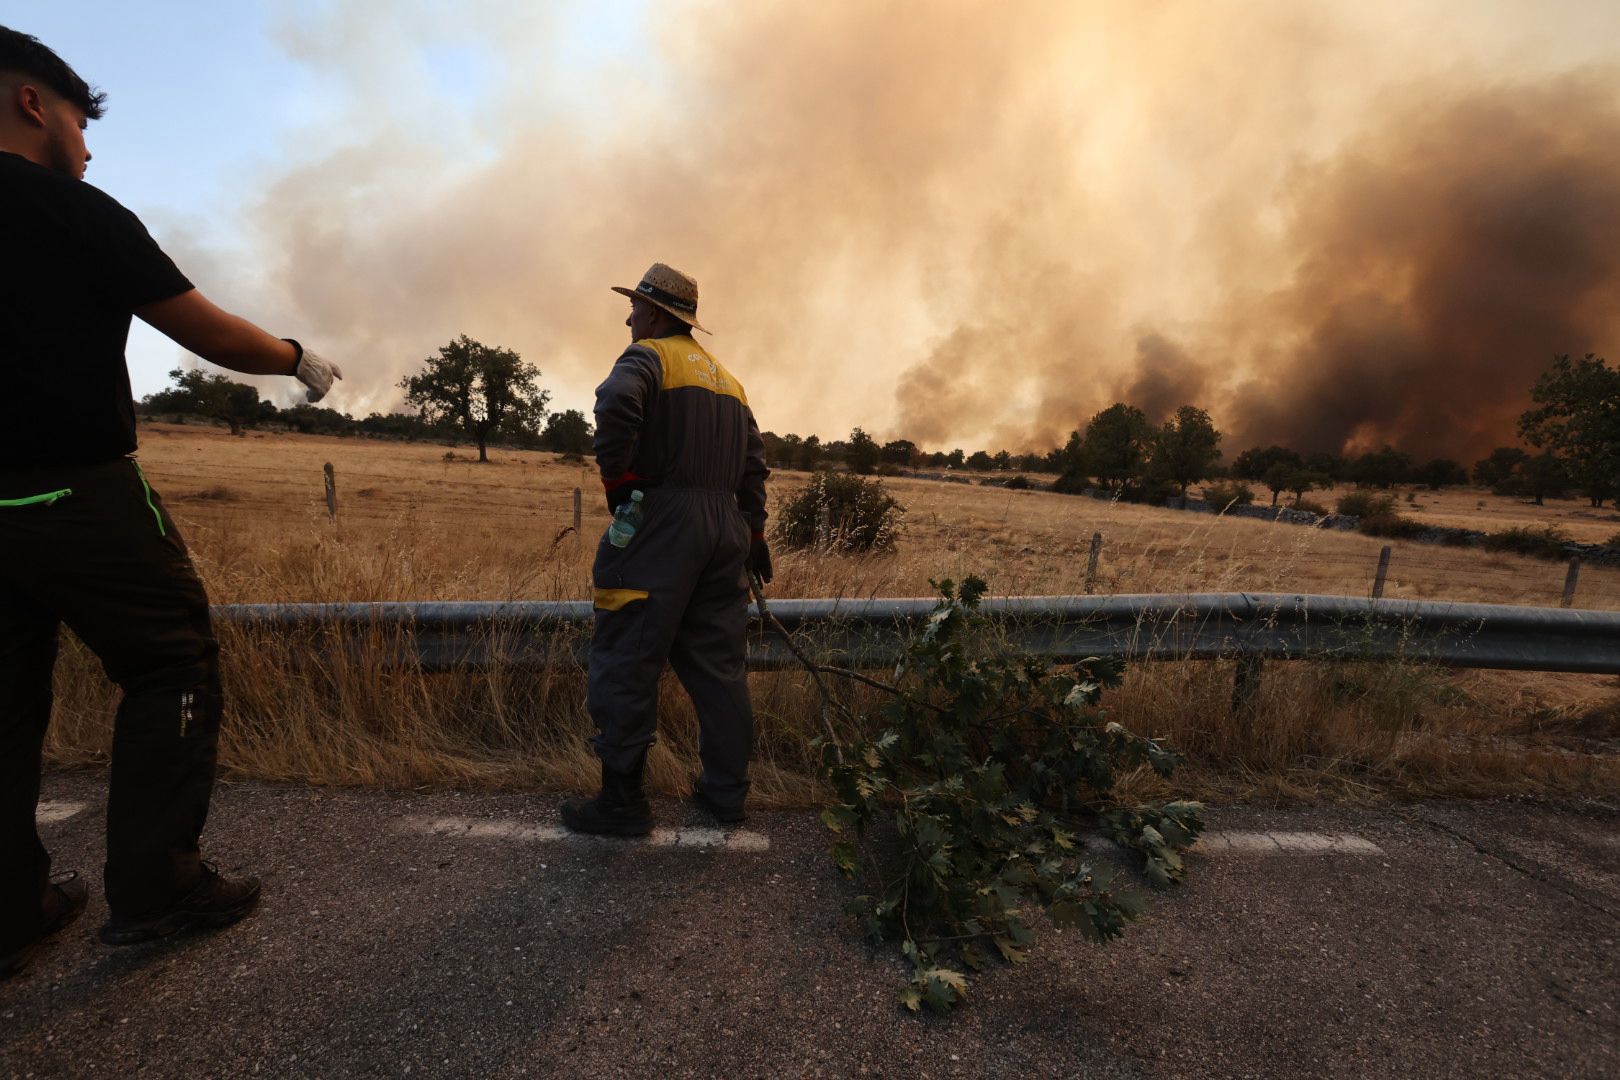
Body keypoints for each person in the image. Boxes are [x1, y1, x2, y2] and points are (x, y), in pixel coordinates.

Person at [0, 27, 342, 978]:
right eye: (79, 118)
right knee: (172, 664)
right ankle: (156, 889)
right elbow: (198, 327)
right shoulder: (75, 210)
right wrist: (295, 358)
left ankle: (10, 911)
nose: (89, 143)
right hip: (78, 491)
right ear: (34, 104)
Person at [561, 263, 771, 837]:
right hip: (725, 530)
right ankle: (726, 794)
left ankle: (623, 803)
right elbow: (754, 467)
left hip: (662, 523)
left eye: (634, 307)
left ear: (654, 313)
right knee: (721, 670)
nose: (628, 316)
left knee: (627, 657)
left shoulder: (646, 357)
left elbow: (614, 405)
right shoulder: (730, 382)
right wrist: (753, 534)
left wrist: (619, 485)